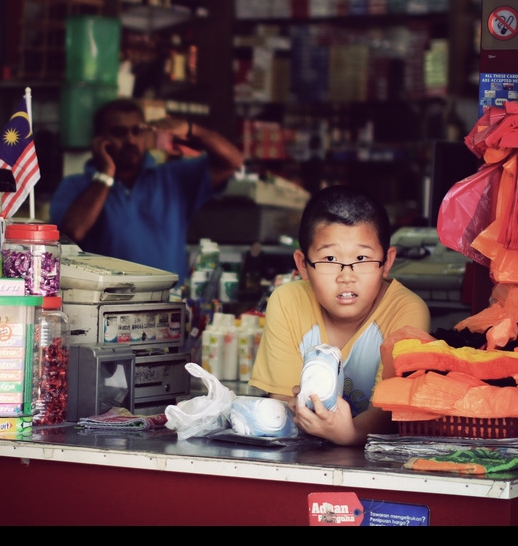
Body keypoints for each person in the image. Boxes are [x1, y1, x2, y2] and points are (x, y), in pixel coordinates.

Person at [248, 185, 431, 446]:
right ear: (303, 265)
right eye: (330, 258)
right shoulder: (287, 302)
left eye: (362, 257)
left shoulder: (406, 310)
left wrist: (350, 434)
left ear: (387, 262)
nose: (346, 276)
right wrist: (295, 409)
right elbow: (281, 398)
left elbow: (392, 411)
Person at [49, 98, 243, 282]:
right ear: (99, 140)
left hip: (170, 300)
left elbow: (232, 161)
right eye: (119, 132)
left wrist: (192, 129)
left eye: (137, 131)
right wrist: (105, 174)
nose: (131, 140)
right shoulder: (76, 185)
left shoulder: (172, 178)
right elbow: (73, 232)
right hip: (108, 302)